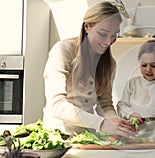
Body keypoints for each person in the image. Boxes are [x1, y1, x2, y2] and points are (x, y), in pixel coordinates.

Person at [42, 1, 136, 137]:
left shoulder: (109, 63)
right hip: (57, 137)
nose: (108, 41)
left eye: (114, 35)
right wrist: (102, 124)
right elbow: (56, 105)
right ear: (87, 27)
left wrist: (116, 122)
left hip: (87, 137)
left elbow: (105, 104)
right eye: (103, 34)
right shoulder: (63, 51)